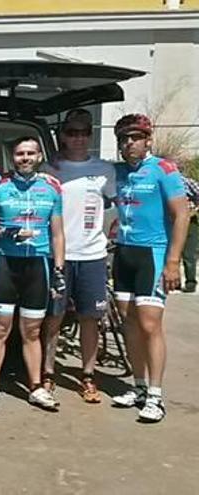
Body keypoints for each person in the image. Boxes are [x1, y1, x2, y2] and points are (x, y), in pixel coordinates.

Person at [109, 114, 189, 423]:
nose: (128, 144)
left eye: (134, 138)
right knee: (129, 323)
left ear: (147, 140)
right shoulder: (117, 172)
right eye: (123, 139)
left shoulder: (163, 170)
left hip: (153, 254)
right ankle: (138, 386)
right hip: (124, 253)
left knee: (150, 324)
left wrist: (172, 261)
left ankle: (156, 394)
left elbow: (181, 215)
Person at [39, 108, 117, 404]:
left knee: (90, 318)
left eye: (84, 132)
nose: (79, 138)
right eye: (72, 132)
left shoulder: (104, 170)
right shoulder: (48, 169)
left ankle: (87, 375)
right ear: (63, 137)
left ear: (91, 136)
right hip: (57, 254)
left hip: (92, 255)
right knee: (54, 318)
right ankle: (48, 373)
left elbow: (119, 203)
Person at [0, 136, 65, 412]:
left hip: (38, 265)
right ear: (12, 156)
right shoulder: (0, 187)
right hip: (6, 262)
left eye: (30, 153)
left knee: (32, 331)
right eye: (20, 154)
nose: (25, 158)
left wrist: (59, 269)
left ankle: (35, 386)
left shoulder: (51, 188)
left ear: (39, 156)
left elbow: (58, 232)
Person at [179, 171, 199, 292]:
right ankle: (173, 281)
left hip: (189, 220)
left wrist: (195, 209)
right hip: (170, 220)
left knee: (189, 253)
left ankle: (190, 282)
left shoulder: (186, 182)